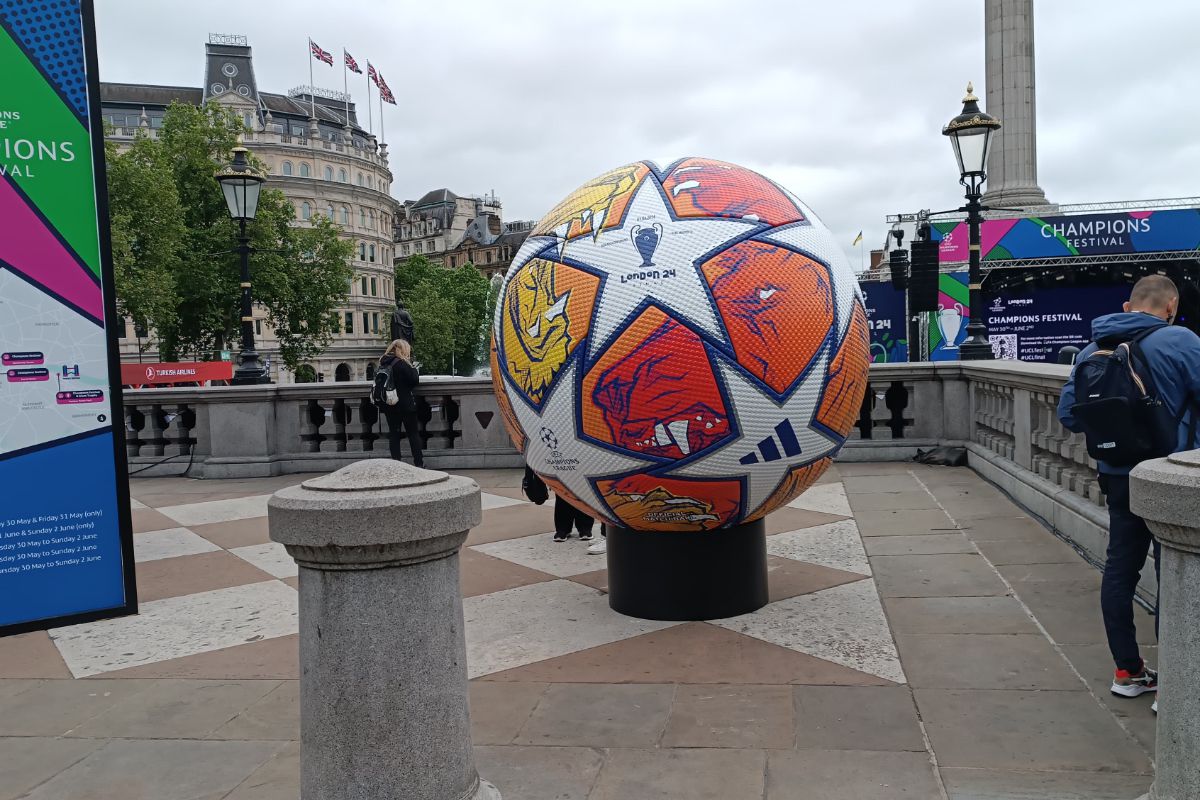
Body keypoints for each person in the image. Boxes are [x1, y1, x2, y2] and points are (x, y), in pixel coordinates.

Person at [1058, 275, 1200, 706]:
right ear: (1171, 305)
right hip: (1169, 473)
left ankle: (1128, 672)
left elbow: (1069, 414)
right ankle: (1175, 684)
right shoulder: (1182, 340)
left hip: (1117, 474)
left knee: (1120, 570)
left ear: (1127, 305)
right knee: (1175, 573)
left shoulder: (1091, 349)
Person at [377, 339, 423, 467]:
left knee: (394, 434)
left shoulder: (383, 363)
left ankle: (397, 465)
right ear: (404, 350)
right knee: (413, 434)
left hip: (389, 404)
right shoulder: (402, 364)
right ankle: (418, 464)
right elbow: (414, 380)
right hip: (405, 404)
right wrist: (413, 367)